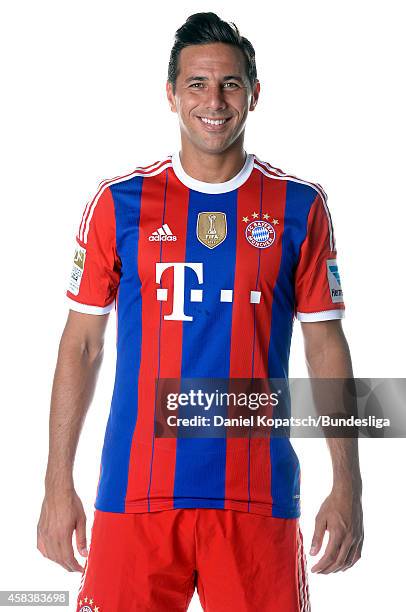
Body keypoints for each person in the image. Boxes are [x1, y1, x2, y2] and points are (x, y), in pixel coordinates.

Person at [37, 11, 363, 612]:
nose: (214, 100)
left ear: (255, 93)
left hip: (256, 495)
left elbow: (325, 345)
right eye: (196, 84)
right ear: (170, 95)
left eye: (231, 83)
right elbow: (81, 344)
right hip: (136, 492)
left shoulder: (299, 205)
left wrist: (348, 483)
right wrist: (58, 483)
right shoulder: (118, 203)